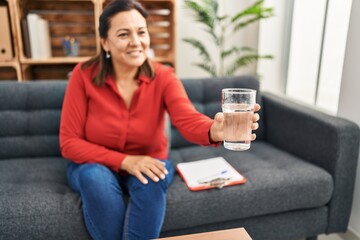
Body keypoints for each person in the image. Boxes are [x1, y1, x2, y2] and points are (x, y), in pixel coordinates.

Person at [59, 0, 261, 239]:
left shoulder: (164, 76)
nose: (136, 41)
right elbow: (69, 142)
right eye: (124, 34)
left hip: (150, 161)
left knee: (153, 179)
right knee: (95, 179)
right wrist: (125, 161)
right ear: (105, 42)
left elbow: (186, 118)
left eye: (141, 32)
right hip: (94, 163)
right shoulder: (83, 75)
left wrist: (215, 130)